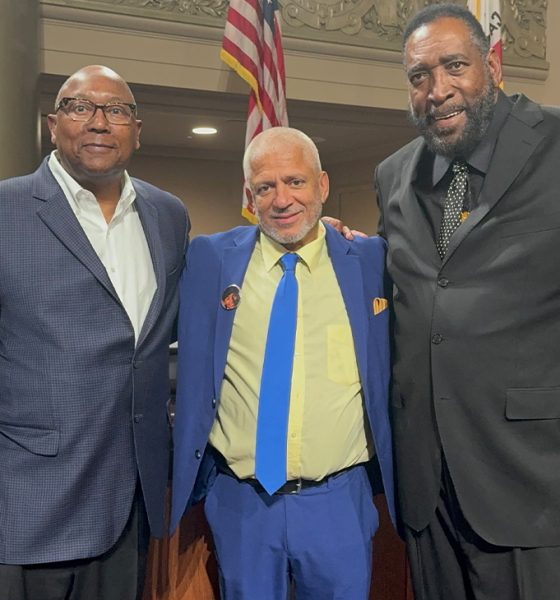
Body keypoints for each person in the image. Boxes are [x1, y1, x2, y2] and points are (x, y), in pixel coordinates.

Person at [375, 3, 560, 598]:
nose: (437, 89)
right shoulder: (393, 176)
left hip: (533, 483)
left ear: (493, 63)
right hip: (429, 493)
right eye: (419, 76)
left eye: (454, 65)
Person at [171, 126, 394, 599]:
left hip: (339, 500)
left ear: (323, 186)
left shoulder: (371, 260)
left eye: (296, 182)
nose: (282, 199)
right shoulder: (209, 260)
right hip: (241, 501)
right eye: (265, 187)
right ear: (248, 197)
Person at [0, 65, 189, 600]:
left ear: (137, 128)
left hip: (129, 502)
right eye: (81, 107)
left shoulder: (168, 216)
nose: (100, 122)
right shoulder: (5, 210)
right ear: (53, 123)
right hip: (25, 504)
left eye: (117, 110)